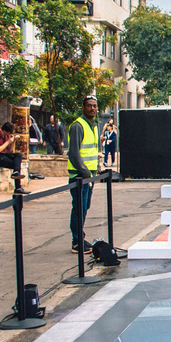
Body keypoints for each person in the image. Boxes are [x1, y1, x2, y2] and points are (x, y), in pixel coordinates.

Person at [67, 95, 101, 253]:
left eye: (94, 106)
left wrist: (96, 168)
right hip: (80, 176)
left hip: (89, 176)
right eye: (89, 106)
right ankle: (76, 241)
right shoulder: (78, 126)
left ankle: (80, 237)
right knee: (79, 208)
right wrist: (85, 171)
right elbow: (73, 153)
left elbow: (92, 150)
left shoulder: (93, 125)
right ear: (83, 107)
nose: (92, 108)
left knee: (84, 207)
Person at [0, 121, 26, 193]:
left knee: (18, 155)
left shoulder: (7, 135)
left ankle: (16, 173)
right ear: (4, 130)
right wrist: (8, 142)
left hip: (2, 154)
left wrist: (13, 141)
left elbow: (10, 149)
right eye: (9, 133)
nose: (9, 134)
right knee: (16, 165)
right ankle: (18, 187)